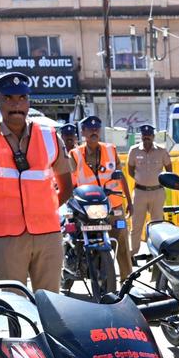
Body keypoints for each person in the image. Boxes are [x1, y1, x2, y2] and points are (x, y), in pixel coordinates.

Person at [0, 72, 72, 293]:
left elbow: (67, 187)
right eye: (8, 98)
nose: (16, 104)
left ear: (28, 102)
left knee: (51, 301)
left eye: (22, 98)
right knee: (14, 302)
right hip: (4, 237)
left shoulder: (50, 136)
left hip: (48, 233)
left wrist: (44, 211)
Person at [71, 115, 134, 276]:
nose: (94, 131)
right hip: (88, 208)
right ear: (83, 132)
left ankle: (127, 280)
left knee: (121, 241)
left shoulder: (110, 149)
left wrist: (129, 201)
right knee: (77, 237)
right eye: (90, 129)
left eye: (97, 129)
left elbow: (121, 176)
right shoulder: (75, 154)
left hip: (114, 207)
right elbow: (70, 182)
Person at [125, 124, 173, 253]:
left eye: (149, 135)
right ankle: (133, 253)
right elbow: (130, 170)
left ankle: (156, 254)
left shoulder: (161, 151)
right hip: (140, 192)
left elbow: (169, 169)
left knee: (157, 225)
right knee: (136, 225)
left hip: (157, 192)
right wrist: (141, 179)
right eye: (144, 135)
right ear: (141, 137)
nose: (146, 137)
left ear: (153, 136)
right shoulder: (134, 150)